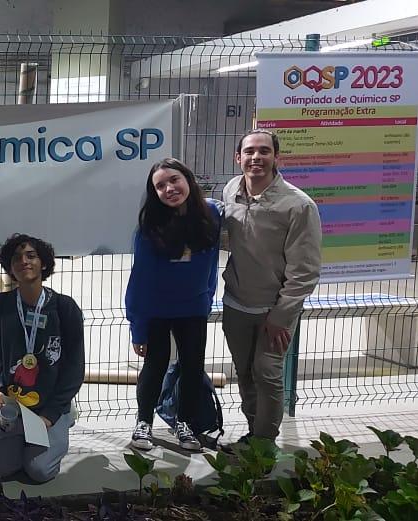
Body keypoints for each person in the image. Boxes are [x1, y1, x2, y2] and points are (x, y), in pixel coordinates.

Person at [220, 129, 321, 450]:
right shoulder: (231, 190)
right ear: (238, 158)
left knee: (267, 373)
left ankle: (264, 445)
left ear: (277, 157)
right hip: (236, 304)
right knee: (245, 373)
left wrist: (281, 315)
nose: (256, 157)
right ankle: (254, 433)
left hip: (273, 311)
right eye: (249, 151)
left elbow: (304, 271)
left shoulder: (298, 206)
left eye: (264, 151)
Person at [124, 158, 223, 451]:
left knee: (193, 366)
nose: (169, 189)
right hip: (157, 310)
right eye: (160, 186)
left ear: (188, 180)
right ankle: (144, 422)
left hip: (193, 309)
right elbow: (140, 281)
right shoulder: (149, 229)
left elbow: (212, 263)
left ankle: (185, 424)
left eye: (174, 180)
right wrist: (138, 328)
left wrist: (207, 298)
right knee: (155, 365)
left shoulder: (211, 215)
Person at [0, 234, 84, 483]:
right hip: (14, 404)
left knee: (39, 471)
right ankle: (21, 437)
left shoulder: (65, 308)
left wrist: (51, 414)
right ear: (10, 267)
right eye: (17, 258)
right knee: (2, 469)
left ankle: (63, 420)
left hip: (50, 404)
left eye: (31, 256)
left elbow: (74, 368)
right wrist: (0, 390)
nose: (24, 261)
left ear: (44, 263)